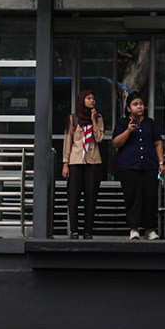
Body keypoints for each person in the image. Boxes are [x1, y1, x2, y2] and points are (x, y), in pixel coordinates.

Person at [111, 92, 165, 240]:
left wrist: (161, 162)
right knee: (132, 197)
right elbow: (116, 143)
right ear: (128, 108)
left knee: (151, 196)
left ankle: (150, 229)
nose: (139, 107)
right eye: (135, 104)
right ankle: (133, 228)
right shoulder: (122, 123)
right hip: (129, 166)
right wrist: (128, 130)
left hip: (149, 165)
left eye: (140, 104)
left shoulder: (150, 123)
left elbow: (158, 143)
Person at [61, 89, 104, 239]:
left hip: (93, 161)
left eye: (93, 98)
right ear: (82, 100)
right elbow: (68, 140)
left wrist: (93, 120)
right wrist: (65, 163)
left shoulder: (98, 118)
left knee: (91, 197)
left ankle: (88, 231)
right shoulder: (73, 118)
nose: (92, 101)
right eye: (88, 98)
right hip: (75, 161)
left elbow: (99, 139)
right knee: (74, 197)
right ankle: (74, 230)